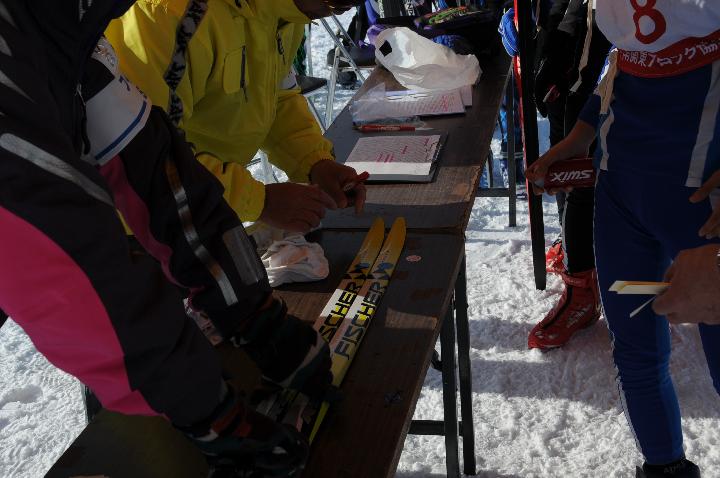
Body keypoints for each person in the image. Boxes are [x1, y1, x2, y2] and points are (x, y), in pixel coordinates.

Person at [0, 1, 332, 475]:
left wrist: (254, 313)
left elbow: (157, 171)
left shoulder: (62, 27)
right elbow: (63, 256)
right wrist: (206, 409)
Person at [526, 1, 720, 475]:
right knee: (636, 354)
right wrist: (577, 139)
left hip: (704, 211)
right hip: (621, 199)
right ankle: (664, 468)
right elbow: (624, 62)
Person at [105, 0, 366, 234]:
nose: (346, 7)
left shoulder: (289, 12)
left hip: (202, 209)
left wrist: (314, 162)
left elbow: (276, 97)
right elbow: (146, 155)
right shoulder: (170, 15)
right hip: (135, 228)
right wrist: (258, 201)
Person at [499, 1, 611, 350]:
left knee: (582, 174)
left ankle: (584, 289)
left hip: (608, 60)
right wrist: (551, 44)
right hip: (578, 49)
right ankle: (577, 256)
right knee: (565, 157)